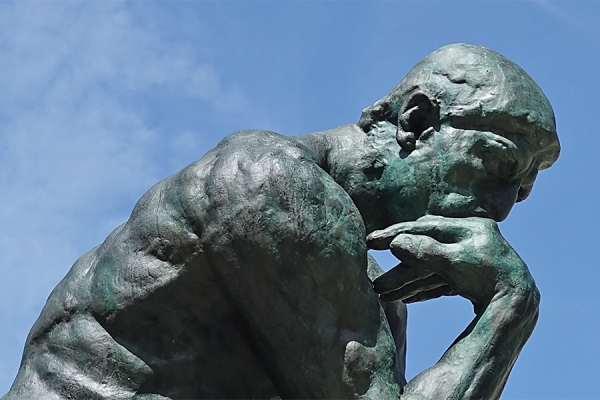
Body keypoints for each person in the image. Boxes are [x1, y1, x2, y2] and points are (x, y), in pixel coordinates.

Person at [2, 43, 559, 400]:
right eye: (496, 164)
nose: (503, 208)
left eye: (523, 189)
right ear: (416, 120)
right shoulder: (269, 181)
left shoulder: (366, 285)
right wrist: (509, 307)